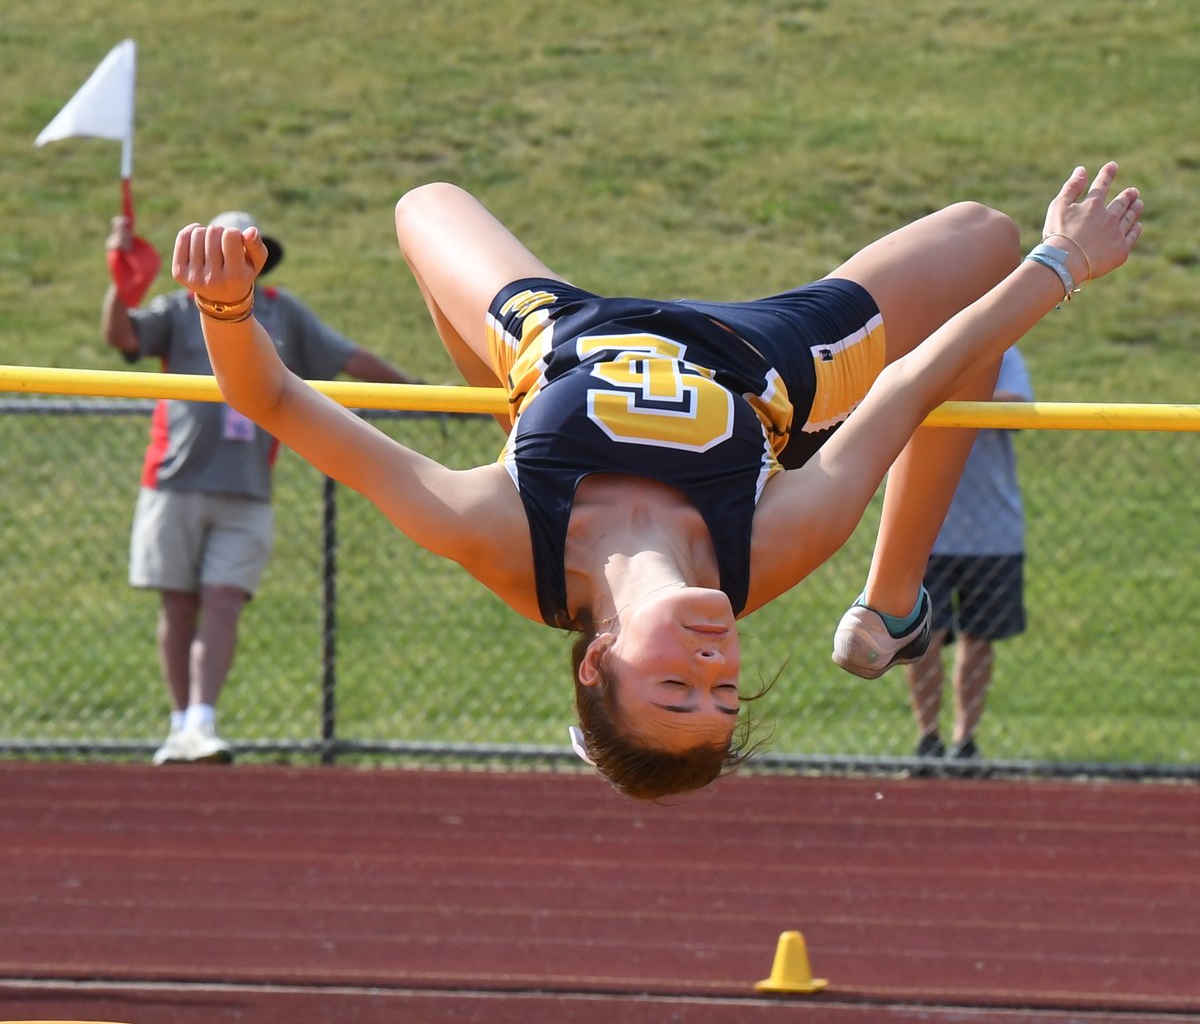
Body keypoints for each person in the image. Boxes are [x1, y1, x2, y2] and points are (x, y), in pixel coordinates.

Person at [169, 162, 1143, 799]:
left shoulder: (501, 533)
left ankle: (517, 408)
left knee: (424, 204)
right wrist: (1062, 262)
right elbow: (911, 383)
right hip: (771, 357)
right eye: (724, 691)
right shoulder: (763, 552)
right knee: (986, 235)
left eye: (677, 685)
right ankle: (890, 606)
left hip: (559, 338)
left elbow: (285, 405)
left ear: (597, 661)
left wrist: (223, 304)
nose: (715, 662)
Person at [103, 211, 422, 766]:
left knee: (224, 601)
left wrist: (420, 396)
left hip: (248, 489)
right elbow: (122, 335)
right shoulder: (179, 309)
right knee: (178, 605)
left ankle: (203, 721)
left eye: (245, 253)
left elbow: (347, 356)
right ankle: (180, 725)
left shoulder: (280, 311)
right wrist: (119, 284)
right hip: (174, 481)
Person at [905, 345, 1033, 768]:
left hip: (992, 532)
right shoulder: (919, 349)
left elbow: (1018, 407)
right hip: (924, 530)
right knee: (923, 638)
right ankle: (928, 738)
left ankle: (965, 742)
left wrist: (951, 394)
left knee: (979, 640)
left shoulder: (1001, 352)